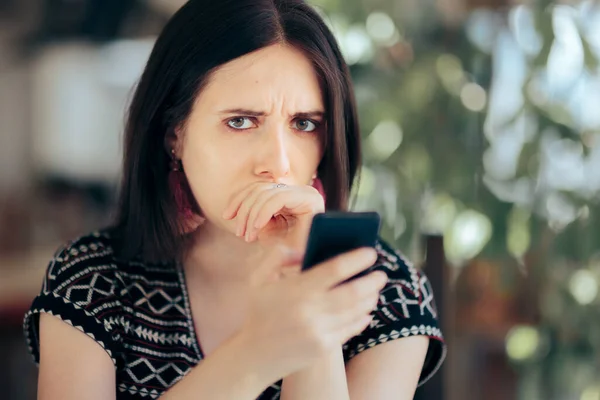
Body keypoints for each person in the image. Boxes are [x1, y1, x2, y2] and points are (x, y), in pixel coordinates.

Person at [23, 0, 446, 398]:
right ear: (175, 134)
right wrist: (258, 352)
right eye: (241, 121)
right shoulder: (92, 282)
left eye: (303, 123)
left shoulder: (386, 292)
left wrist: (306, 284)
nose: (277, 164)